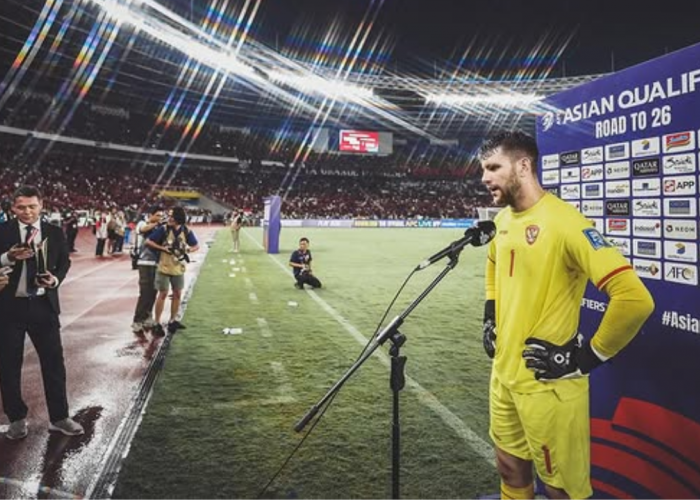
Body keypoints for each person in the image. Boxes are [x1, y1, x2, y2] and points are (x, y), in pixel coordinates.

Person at [479, 131, 654, 499]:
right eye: (484, 169)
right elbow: (494, 260)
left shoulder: (565, 223)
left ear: (523, 166)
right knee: (510, 469)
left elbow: (635, 298)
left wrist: (585, 358)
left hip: (549, 386)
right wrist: (490, 313)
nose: (485, 177)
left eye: (493, 167)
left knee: (561, 491)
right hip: (504, 376)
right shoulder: (504, 221)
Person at [0, 185, 84, 440]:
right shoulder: (2, 231)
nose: (27, 212)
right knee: (8, 366)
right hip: (8, 307)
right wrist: (7, 258)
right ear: (13, 208)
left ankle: (59, 417)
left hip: (43, 307)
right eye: (21, 207)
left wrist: (55, 280)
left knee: (54, 363)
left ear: (41, 205)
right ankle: (16, 419)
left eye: (32, 206)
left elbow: (64, 262)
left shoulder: (55, 233)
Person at [146, 206, 199, 336]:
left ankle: (172, 320)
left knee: (177, 294)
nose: (169, 218)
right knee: (162, 294)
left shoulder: (186, 230)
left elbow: (196, 246)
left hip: (178, 267)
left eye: (171, 216)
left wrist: (187, 250)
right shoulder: (163, 229)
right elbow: (148, 241)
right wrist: (163, 249)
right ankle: (157, 323)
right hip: (164, 266)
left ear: (178, 218)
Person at [131, 206, 164, 336]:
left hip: (156, 263)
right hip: (144, 263)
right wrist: (157, 224)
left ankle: (147, 317)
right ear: (151, 215)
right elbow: (144, 230)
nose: (160, 218)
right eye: (158, 215)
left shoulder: (158, 227)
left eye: (161, 216)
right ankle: (137, 320)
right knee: (144, 292)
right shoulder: (142, 223)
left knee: (153, 291)